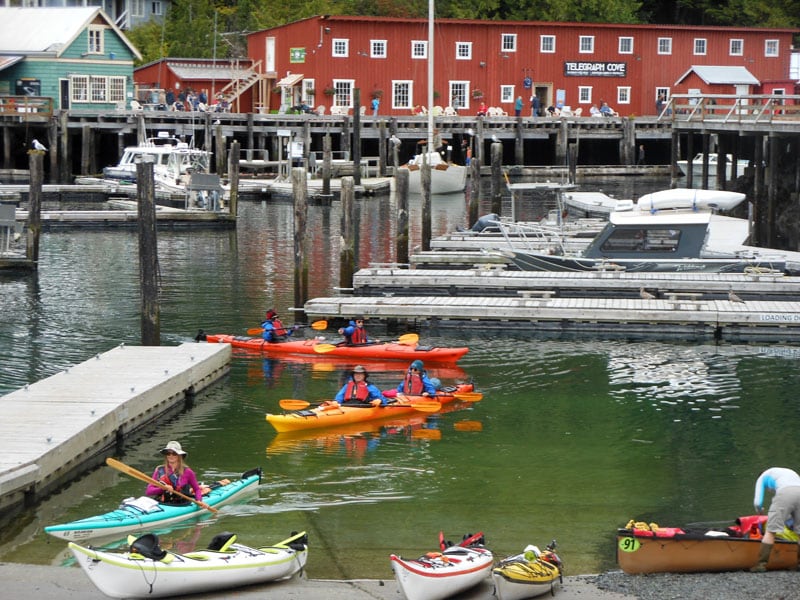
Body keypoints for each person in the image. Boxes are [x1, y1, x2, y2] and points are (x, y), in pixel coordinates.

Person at [750, 467, 800, 572]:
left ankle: (760, 565)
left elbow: (757, 502)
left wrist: (760, 511)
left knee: (770, 530)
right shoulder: (786, 472)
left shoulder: (762, 477)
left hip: (785, 493)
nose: (768, 490)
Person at [146, 441, 209, 509]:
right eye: (168, 453)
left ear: (179, 455)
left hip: (181, 504)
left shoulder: (188, 472)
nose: (171, 456)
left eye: (174, 453)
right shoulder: (159, 470)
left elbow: (197, 489)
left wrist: (199, 500)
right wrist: (163, 488)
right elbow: (149, 491)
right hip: (163, 503)